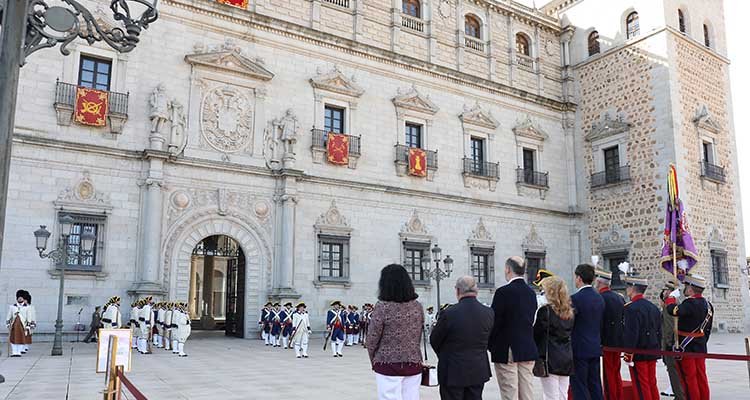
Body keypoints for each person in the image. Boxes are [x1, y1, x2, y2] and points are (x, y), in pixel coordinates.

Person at [430, 276, 494, 400]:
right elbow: (488, 339)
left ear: (458, 291)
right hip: (477, 369)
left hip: (452, 370)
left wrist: (444, 355)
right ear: (476, 291)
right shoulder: (488, 312)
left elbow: (434, 340)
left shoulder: (449, 313)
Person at [366, 264, 424, 400]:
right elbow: (418, 334)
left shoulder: (382, 307)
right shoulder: (417, 306)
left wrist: (374, 359)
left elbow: (372, 339)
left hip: (387, 363)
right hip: (413, 362)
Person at [488, 256, 537, 400]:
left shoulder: (503, 292)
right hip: (527, 347)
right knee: (527, 392)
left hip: (507, 348)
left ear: (508, 269)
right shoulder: (531, 293)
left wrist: (491, 345)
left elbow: (495, 322)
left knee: (510, 392)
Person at [665, 274, 713, 400]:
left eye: (686, 286)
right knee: (701, 377)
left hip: (687, 347)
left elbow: (673, 310)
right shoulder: (708, 305)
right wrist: (700, 340)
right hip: (700, 346)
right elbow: (707, 330)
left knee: (689, 379)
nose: (684, 289)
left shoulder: (689, 303)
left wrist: (670, 298)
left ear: (691, 288)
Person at [533, 276, 575, 400]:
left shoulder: (545, 311)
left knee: (550, 396)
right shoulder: (570, 312)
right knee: (563, 395)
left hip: (550, 357)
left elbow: (536, 334)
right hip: (566, 356)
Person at [622, 275, 661, 400]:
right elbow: (659, 331)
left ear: (633, 288)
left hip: (638, 353)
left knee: (641, 385)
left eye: (628, 286)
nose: (626, 289)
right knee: (651, 383)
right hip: (652, 350)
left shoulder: (631, 308)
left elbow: (631, 334)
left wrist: (628, 354)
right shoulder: (653, 307)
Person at [569, 264, 604, 400]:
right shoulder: (599, 298)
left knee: (580, 385)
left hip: (579, 348)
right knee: (595, 384)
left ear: (579, 278)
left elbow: (570, 323)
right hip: (595, 346)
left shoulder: (575, 299)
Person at [595, 268, 625, 400]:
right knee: (616, 371)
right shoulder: (619, 298)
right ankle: (618, 395)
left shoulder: (599, 298)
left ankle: (611, 396)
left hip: (606, 340)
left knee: (608, 374)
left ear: (600, 283)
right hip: (618, 339)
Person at [659, 281, 683, 399]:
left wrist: (668, 343)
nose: (664, 292)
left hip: (671, 343)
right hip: (672, 342)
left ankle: (679, 396)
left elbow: (669, 326)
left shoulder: (670, 305)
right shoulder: (672, 303)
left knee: (674, 372)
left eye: (666, 290)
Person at [6, 290, 31, 357]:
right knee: (13, 338)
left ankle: (18, 352)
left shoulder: (27, 307)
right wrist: (8, 324)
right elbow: (9, 316)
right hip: (14, 325)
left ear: (23, 298)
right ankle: (14, 352)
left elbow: (29, 317)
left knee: (21, 338)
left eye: (21, 297)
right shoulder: (12, 307)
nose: (20, 298)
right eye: (19, 297)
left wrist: (28, 325)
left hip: (22, 325)